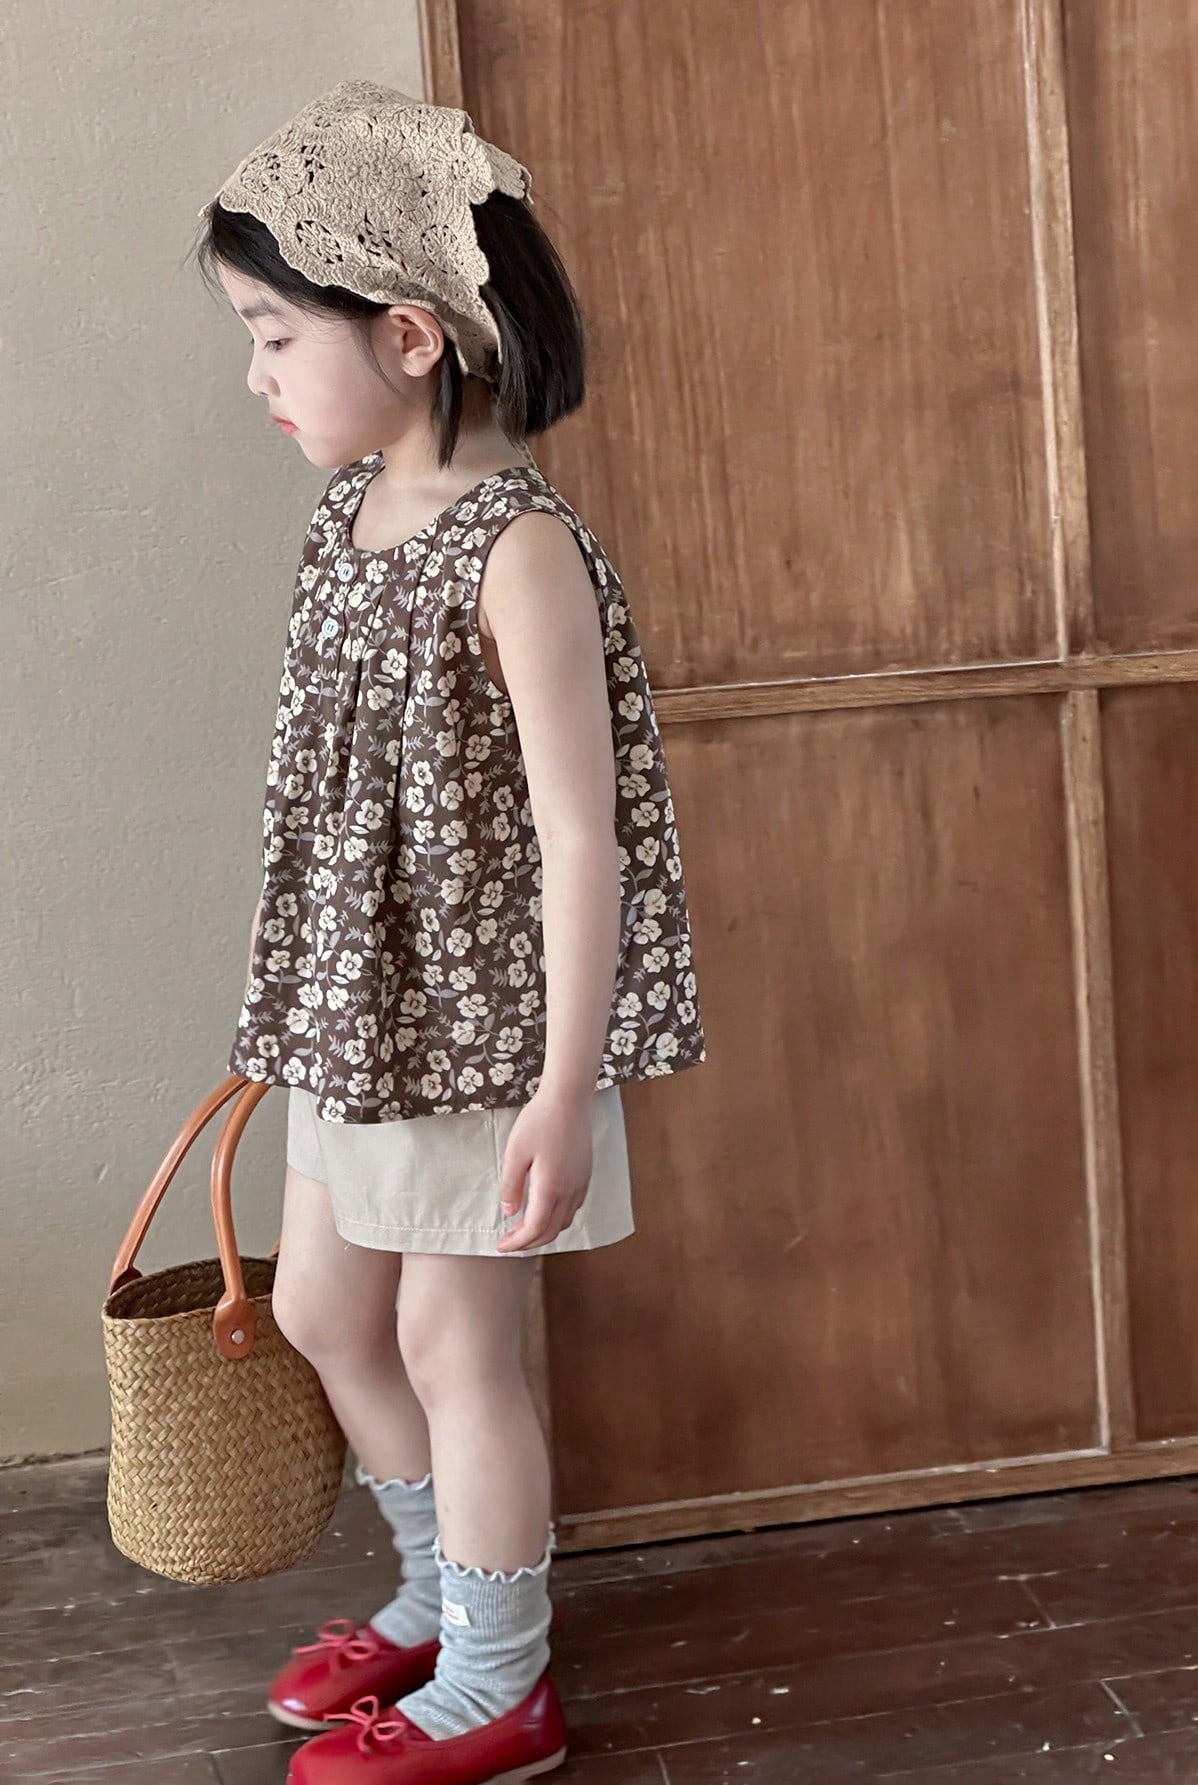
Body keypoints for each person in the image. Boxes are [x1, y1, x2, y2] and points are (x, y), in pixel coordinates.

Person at [192, 81, 707, 1785]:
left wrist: (564, 1087)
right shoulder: (345, 518)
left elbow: (583, 836)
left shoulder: (521, 549)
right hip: (362, 1020)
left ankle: (499, 1679)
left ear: (408, 336)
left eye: (277, 336)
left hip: (484, 1031)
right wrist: (293, 1003)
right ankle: (437, 1594)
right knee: (328, 1310)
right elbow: (333, 802)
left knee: (447, 1342)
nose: (259, 375)